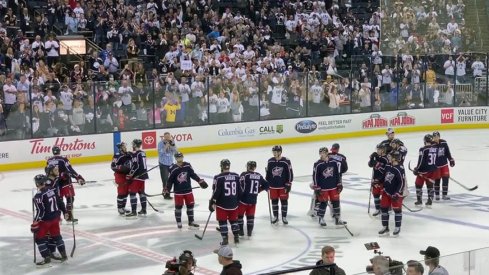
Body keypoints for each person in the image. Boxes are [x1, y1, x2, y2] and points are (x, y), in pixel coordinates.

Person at [31, 174, 68, 266]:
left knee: (39, 239)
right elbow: (59, 201)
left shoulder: (38, 196)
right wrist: (65, 211)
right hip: (56, 218)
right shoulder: (52, 189)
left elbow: (40, 211)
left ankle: (46, 258)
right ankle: (64, 256)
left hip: (46, 221)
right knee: (57, 236)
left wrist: (35, 221)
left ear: (37, 183)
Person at [165, 152, 208, 229]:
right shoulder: (173, 168)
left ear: (183, 157)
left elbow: (193, 174)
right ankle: (179, 222)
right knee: (178, 207)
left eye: (181, 157)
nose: (179, 158)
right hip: (178, 192)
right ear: (175, 158)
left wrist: (200, 181)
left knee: (190, 206)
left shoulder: (187, 165)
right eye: (178, 157)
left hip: (188, 190)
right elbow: (170, 181)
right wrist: (167, 189)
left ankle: (191, 222)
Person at [46, 145, 85, 223]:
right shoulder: (63, 159)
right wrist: (78, 178)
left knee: (58, 199)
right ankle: (69, 217)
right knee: (70, 198)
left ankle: (57, 217)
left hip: (55, 183)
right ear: (60, 151)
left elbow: (48, 172)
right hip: (65, 182)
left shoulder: (49, 160)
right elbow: (70, 170)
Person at [209, 159, 241, 245]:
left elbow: (216, 191)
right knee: (234, 221)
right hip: (234, 203)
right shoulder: (236, 176)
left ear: (221, 166)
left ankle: (225, 239)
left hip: (222, 204)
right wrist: (237, 201)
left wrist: (212, 202)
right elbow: (240, 190)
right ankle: (236, 237)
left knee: (222, 222)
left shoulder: (218, 177)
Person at [312, 147, 346, 227]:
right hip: (323, 188)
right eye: (320, 153)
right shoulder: (317, 164)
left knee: (336, 202)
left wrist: (339, 184)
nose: (321, 154)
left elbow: (337, 174)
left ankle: (337, 218)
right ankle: (321, 218)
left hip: (333, 187)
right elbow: (315, 176)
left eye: (323, 152)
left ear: (327, 153)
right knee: (323, 203)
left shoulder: (333, 162)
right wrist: (317, 187)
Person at [237, 161, 269, 238]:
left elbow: (240, 186)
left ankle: (241, 232)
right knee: (250, 217)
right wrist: (259, 190)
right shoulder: (258, 175)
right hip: (253, 200)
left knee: (239, 216)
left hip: (243, 200)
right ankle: (249, 232)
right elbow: (267, 185)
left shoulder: (244, 175)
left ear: (247, 166)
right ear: (254, 167)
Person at [378, 151, 405, 237]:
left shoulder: (400, 168)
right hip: (386, 192)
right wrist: (377, 181)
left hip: (395, 194)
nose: (389, 157)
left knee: (397, 210)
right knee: (384, 209)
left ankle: (397, 227)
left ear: (394, 158)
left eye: (391, 156)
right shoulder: (388, 166)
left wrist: (397, 193)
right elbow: (384, 177)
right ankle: (385, 227)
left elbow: (402, 183)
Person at [266, 145, 293, 225]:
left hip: (283, 186)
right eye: (273, 152)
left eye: (276, 152)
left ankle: (284, 217)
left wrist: (289, 183)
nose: (274, 153)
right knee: (274, 201)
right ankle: (275, 216)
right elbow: (268, 174)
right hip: (273, 186)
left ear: (280, 152)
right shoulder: (270, 161)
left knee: (284, 201)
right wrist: (267, 183)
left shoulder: (286, 161)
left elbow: (290, 173)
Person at [413, 134, 438, 207]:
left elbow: (421, 161)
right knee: (430, 185)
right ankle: (430, 200)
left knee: (418, 184)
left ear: (425, 141)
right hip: (432, 170)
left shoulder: (423, 149)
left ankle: (419, 200)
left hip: (423, 171)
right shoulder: (435, 148)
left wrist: (417, 169)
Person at [126, 139, 148, 217]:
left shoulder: (137, 154)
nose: (132, 146)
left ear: (135, 145)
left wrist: (131, 174)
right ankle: (144, 210)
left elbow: (137, 166)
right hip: (143, 176)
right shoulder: (142, 153)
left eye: (133, 144)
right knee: (141, 193)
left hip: (137, 177)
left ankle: (134, 211)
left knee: (132, 194)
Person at [111, 142, 132, 215]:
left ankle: (123, 206)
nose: (125, 147)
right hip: (120, 176)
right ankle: (119, 208)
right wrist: (121, 168)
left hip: (127, 175)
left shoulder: (128, 154)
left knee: (126, 192)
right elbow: (113, 166)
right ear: (120, 148)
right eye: (123, 146)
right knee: (121, 192)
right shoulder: (117, 156)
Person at [432, 131, 455, 200]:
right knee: (437, 180)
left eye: (437, 136)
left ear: (439, 137)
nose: (436, 138)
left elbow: (447, 152)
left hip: (444, 165)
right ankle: (437, 195)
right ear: (433, 138)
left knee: (445, 179)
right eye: (434, 137)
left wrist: (450, 159)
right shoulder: (431, 145)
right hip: (436, 166)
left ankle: (444, 195)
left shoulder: (444, 142)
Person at [368, 144, 389, 216]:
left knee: (384, 195)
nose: (377, 151)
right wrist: (371, 158)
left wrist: (377, 163)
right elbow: (370, 165)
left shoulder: (387, 159)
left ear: (382, 150)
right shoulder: (377, 157)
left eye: (378, 149)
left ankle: (385, 208)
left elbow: (385, 170)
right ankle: (377, 209)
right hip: (376, 180)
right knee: (376, 194)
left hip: (383, 181)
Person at [158, 132, 177, 200]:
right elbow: (160, 153)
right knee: (165, 180)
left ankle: (170, 192)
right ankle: (166, 193)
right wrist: (166, 146)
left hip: (171, 163)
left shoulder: (172, 142)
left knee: (171, 179)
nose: (167, 138)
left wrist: (172, 146)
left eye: (168, 137)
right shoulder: (160, 143)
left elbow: (175, 151)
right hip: (163, 164)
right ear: (164, 137)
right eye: (166, 137)